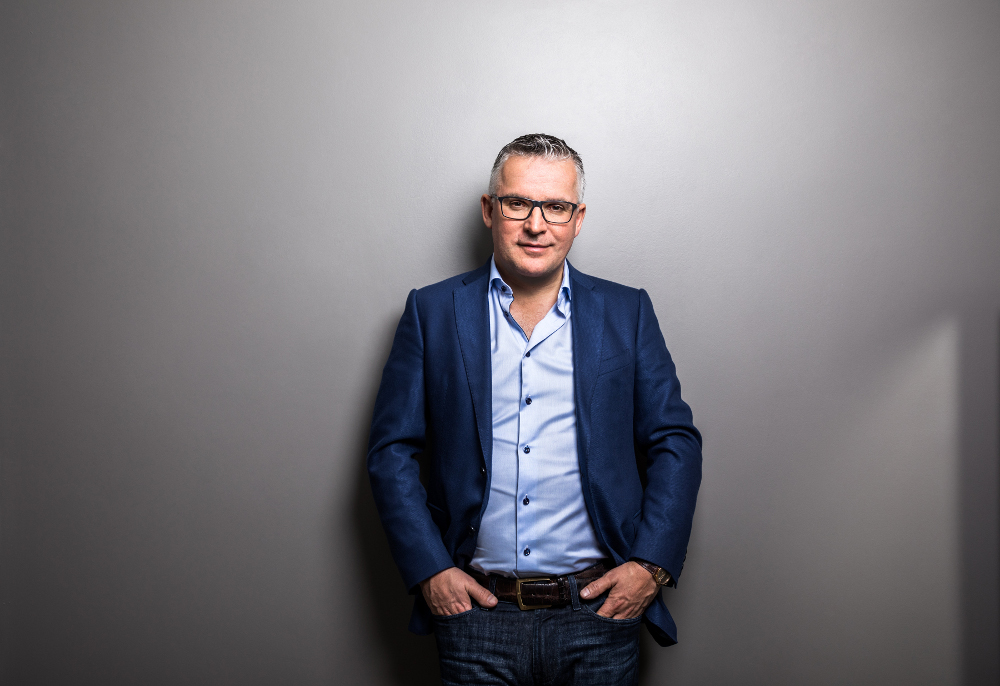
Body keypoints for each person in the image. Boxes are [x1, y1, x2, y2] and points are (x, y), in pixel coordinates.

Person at [367, 133, 702, 685]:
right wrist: (431, 569)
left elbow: (675, 440)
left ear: (578, 217)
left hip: (598, 614)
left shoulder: (627, 312)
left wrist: (650, 565)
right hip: (477, 616)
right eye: (518, 203)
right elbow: (392, 450)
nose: (536, 223)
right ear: (489, 209)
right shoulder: (431, 311)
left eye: (556, 206)